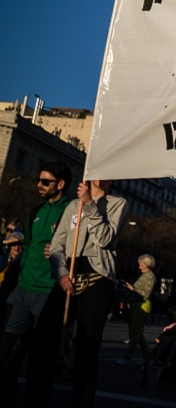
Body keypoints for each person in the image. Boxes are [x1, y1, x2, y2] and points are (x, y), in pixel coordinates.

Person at [24, 178, 128, 408]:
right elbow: (58, 244)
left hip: (97, 279)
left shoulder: (117, 203)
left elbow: (105, 239)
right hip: (67, 277)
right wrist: (61, 273)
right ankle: (37, 397)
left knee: (86, 347)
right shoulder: (72, 206)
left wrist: (90, 204)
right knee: (44, 339)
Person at [0, 163, 72, 399]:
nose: (38, 185)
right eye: (39, 180)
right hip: (22, 291)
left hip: (49, 294)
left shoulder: (72, 212)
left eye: (45, 182)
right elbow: (29, 247)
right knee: (6, 354)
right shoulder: (35, 212)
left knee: (40, 361)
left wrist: (64, 248)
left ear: (60, 184)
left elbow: (81, 246)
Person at [117, 254, 158, 366]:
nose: (139, 266)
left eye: (141, 264)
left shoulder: (149, 276)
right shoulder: (144, 275)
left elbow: (146, 294)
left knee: (135, 333)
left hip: (142, 306)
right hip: (136, 306)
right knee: (139, 334)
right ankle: (147, 356)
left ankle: (128, 357)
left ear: (147, 265)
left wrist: (132, 289)